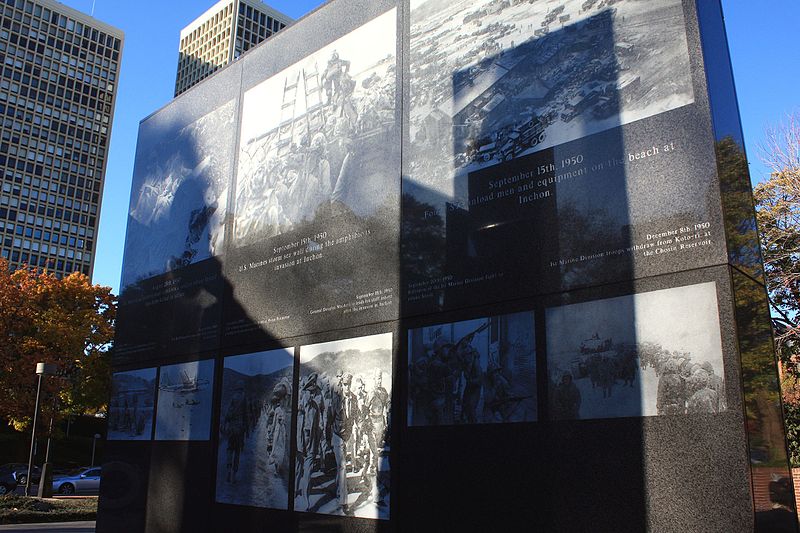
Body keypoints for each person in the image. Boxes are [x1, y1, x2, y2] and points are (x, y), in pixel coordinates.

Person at [296, 374, 322, 510]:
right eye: (310, 392)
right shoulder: (299, 408)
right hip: (300, 445)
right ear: (304, 392)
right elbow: (296, 429)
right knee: (297, 470)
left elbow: (317, 428)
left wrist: (316, 447)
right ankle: (295, 490)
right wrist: (298, 447)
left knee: (308, 472)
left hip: (311, 445)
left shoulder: (315, 407)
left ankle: (306, 499)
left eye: (314, 392)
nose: (312, 395)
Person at [331, 372, 357, 513]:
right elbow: (330, 417)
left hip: (347, 435)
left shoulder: (354, 398)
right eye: (345, 384)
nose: (347, 387)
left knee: (340, 467)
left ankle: (338, 491)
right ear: (342, 384)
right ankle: (344, 502)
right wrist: (328, 437)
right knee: (342, 466)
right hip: (336, 435)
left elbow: (356, 415)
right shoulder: (336, 398)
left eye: (349, 384)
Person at [221, 381, 247, 484]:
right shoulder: (243, 398)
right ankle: (234, 475)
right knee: (237, 452)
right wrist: (245, 427)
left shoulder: (233, 398)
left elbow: (228, 413)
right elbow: (245, 414)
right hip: (239, 429)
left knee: (229, 449)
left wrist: (225, 422)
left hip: (231, 429)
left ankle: (228, 469)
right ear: (242, 390)